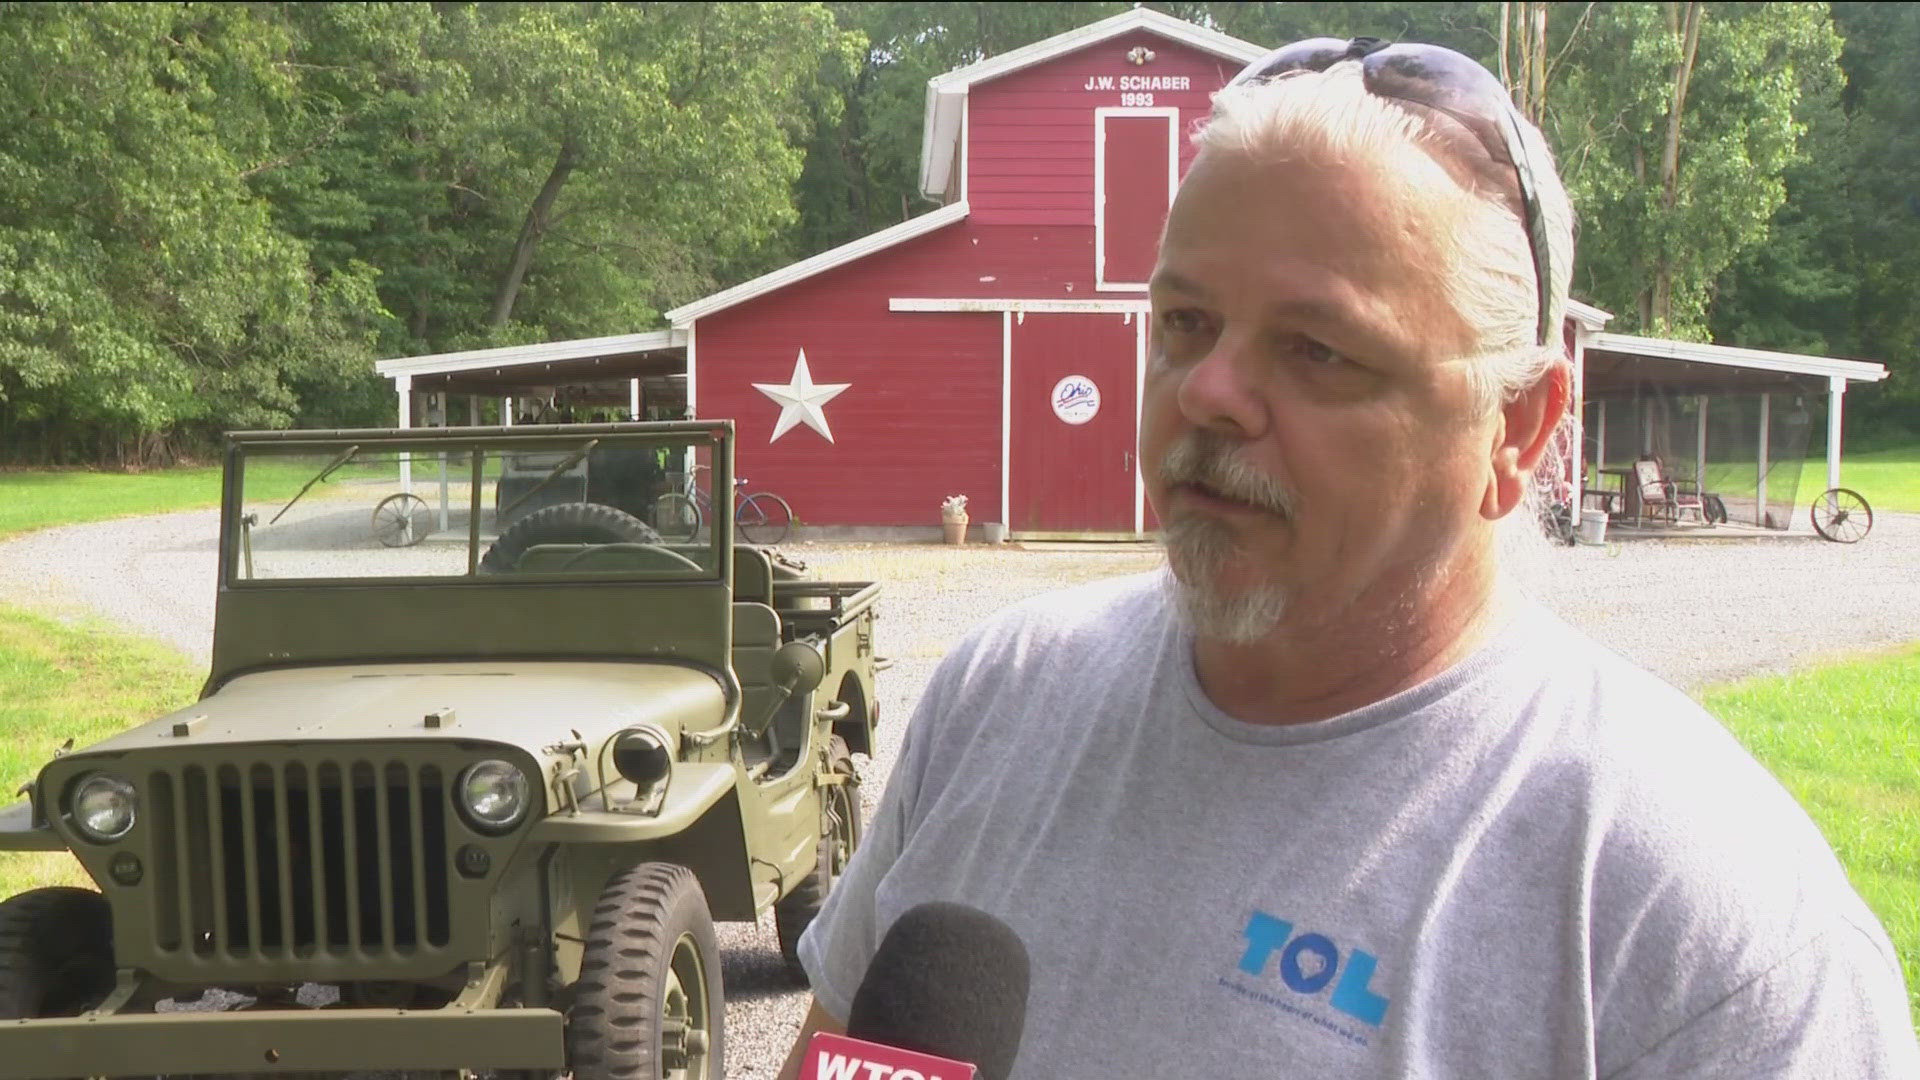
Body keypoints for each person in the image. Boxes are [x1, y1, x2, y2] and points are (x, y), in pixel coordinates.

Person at [780, 38, 1919, 1078]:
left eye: (1318, 350)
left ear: (1516, 431)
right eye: (1183, 323)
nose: (1209, 391)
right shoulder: (1001, 694)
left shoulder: (1695, 925)